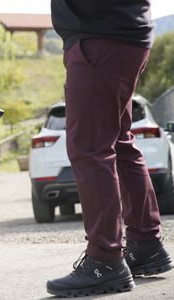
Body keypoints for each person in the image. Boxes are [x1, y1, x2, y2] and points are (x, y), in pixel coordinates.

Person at [47, 0, 173, 297]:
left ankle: (104, 260)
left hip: (99, 34)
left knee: (90, 147)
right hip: (123, 31)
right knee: (117, 141)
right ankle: (145, 244)